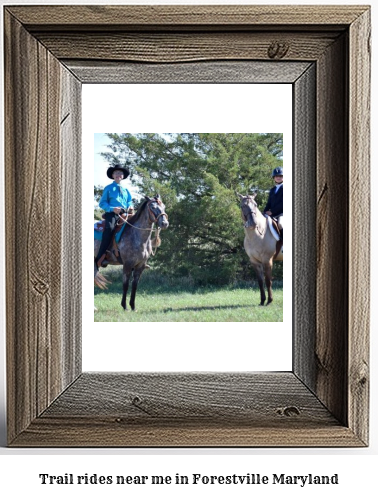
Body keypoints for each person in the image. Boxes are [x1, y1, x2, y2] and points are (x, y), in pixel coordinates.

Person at [95, 164, 133, 268]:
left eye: (120, 173)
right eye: (116, 173)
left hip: (125, 213)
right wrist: (113, 209)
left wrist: (130, 207)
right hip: (112, 213)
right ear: (112, 175)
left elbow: (129, 201)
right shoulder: (108, 188)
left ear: (123, 176)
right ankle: (101, 257)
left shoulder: (126, 190)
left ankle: (136, 257)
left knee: (134, 228)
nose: (118, 174)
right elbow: (102, 203)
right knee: (109, 228)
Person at [264, 167, 283, 240]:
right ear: (274, 178)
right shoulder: (272, 190)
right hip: (272, 214)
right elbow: (269, 203)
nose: (278, 178)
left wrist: (272, 211)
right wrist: (265, 211)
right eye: (276, 176)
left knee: (281, 224)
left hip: (282, 214)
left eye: (280, 176)